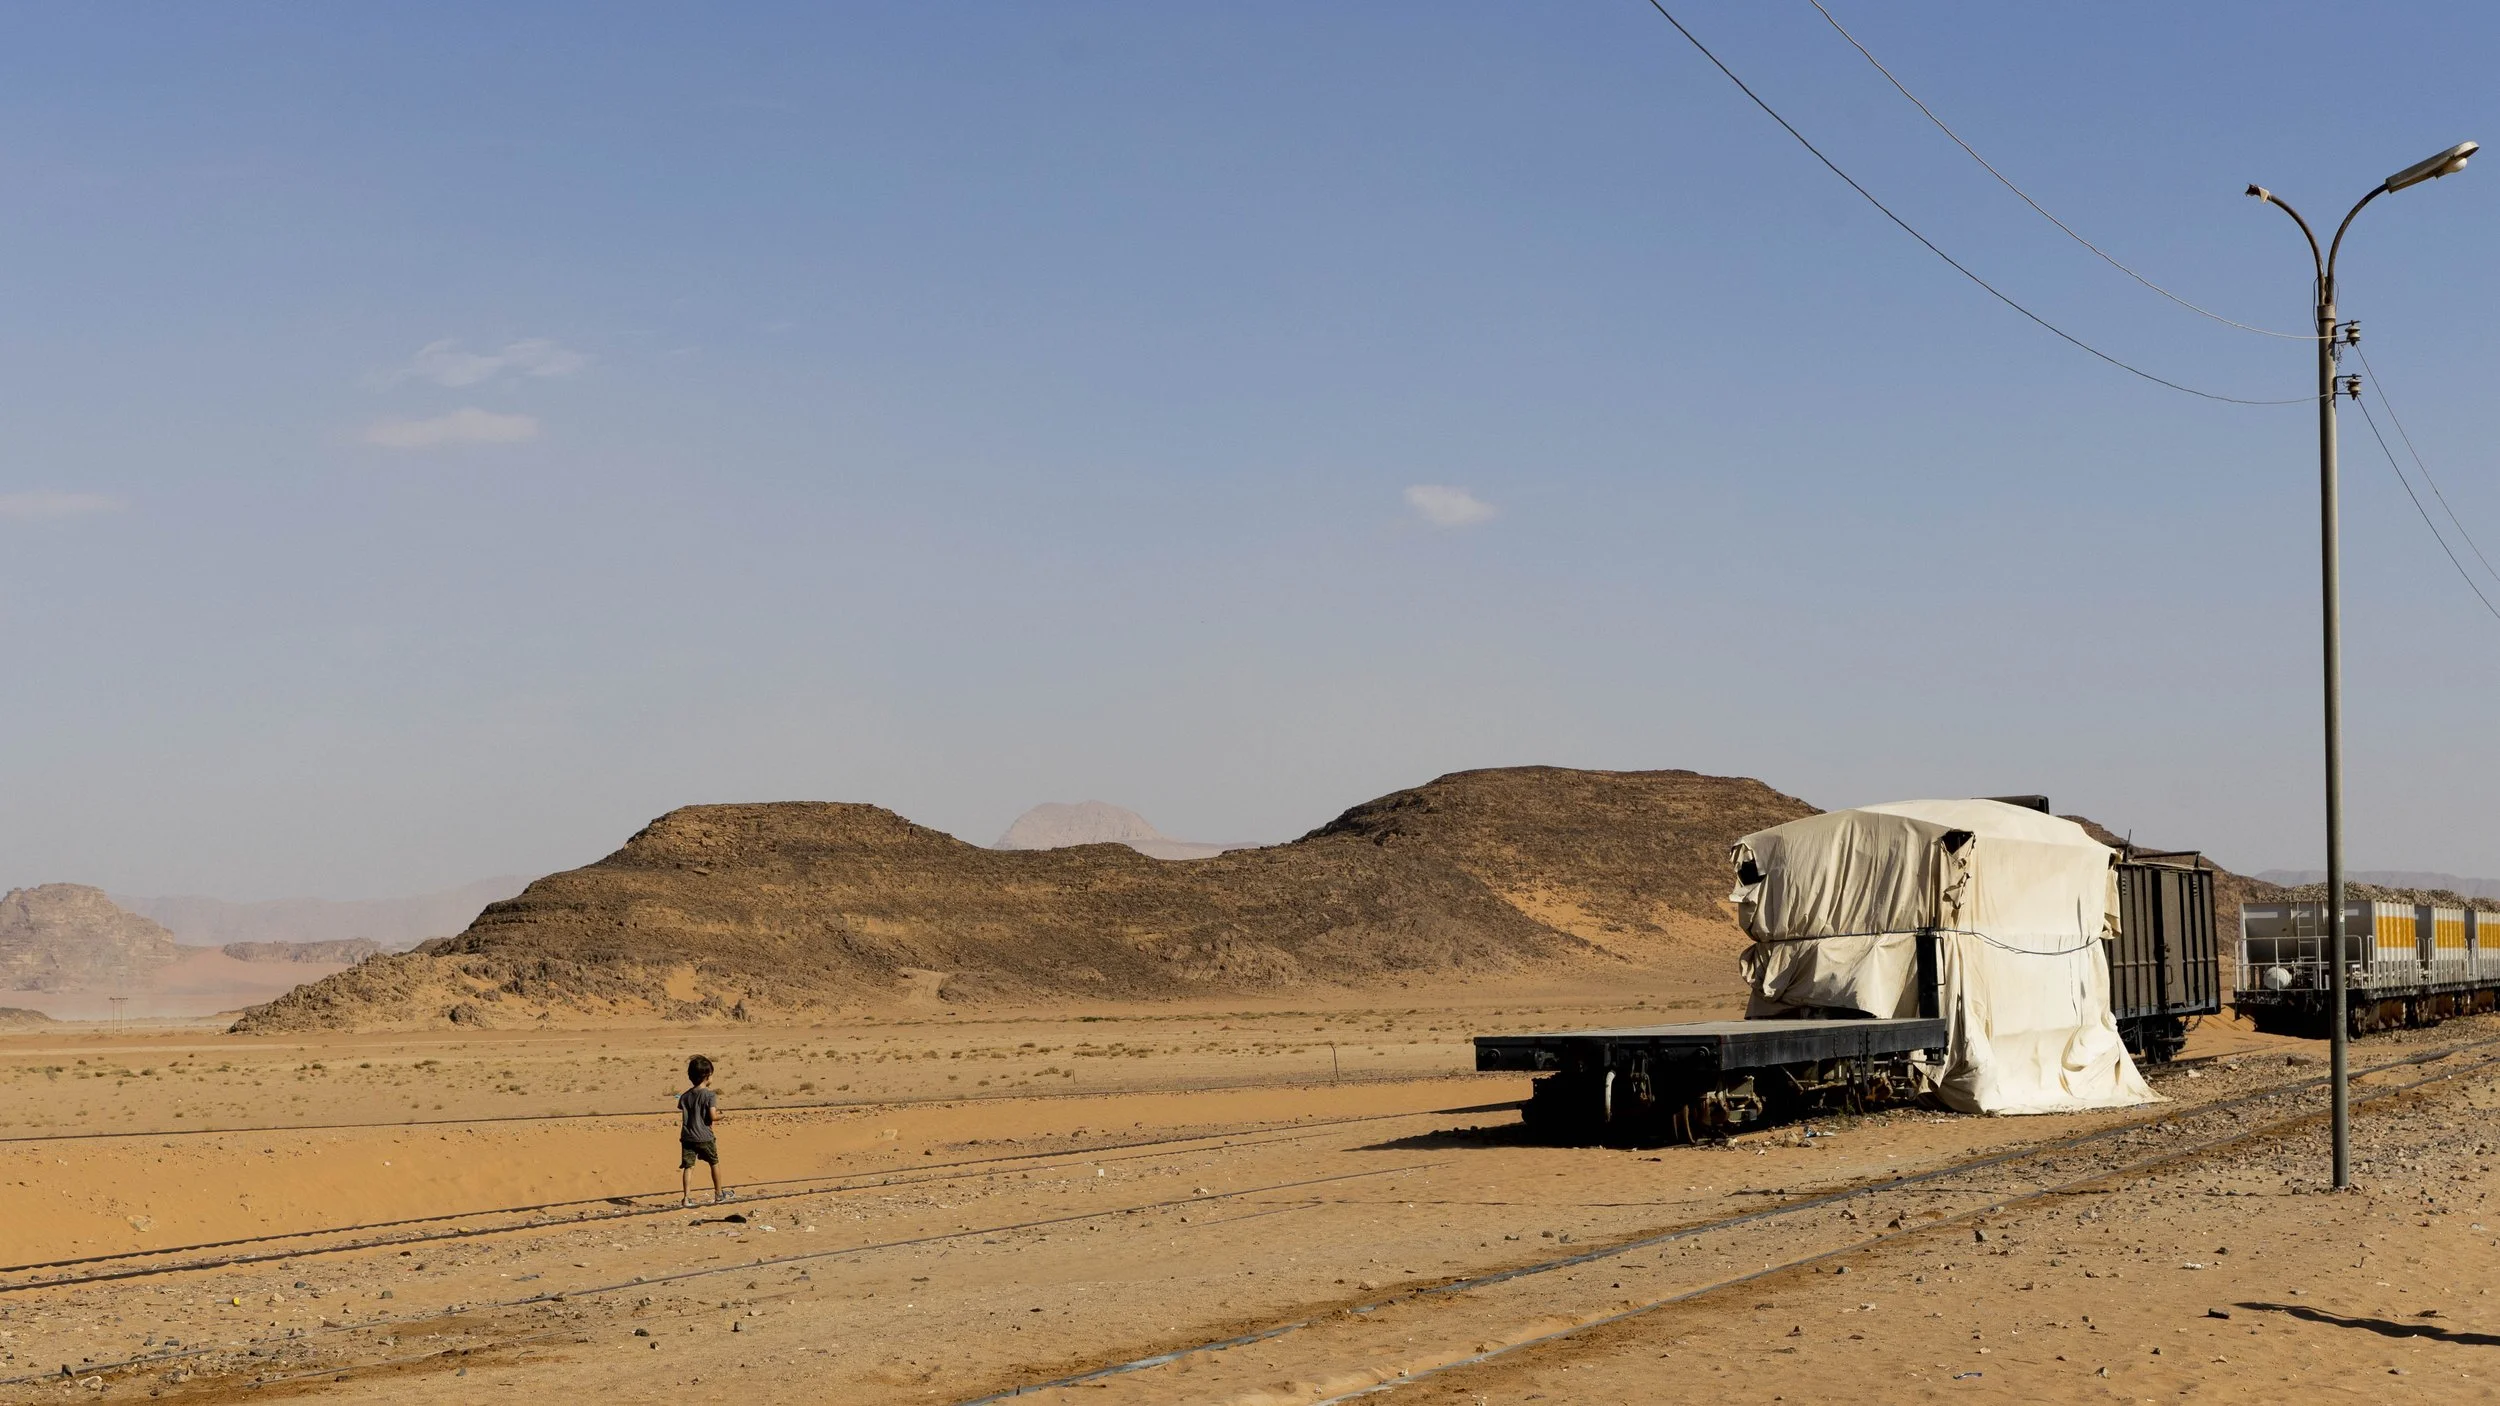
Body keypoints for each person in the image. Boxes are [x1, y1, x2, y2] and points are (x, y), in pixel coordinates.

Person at [677, 1054, 725, 1206]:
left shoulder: (684, 1096)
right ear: (707, 1076)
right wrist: (722, 1116)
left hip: (687, 1136)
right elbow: (712, 1115)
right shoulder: (710, 1095)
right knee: (714, 1162)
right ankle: (719, 1193)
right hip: (704, 1136)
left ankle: (686, 1197)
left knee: (688, 1166)